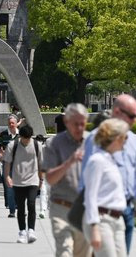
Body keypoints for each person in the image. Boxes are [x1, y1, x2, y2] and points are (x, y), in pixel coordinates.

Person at [82, 95, 136, 254]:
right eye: (131, 116)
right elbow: (87, 187)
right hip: (102, 213)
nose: (135, 120)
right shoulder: (95, 140)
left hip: (125, 212)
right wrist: (93, 224)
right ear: (116, 111)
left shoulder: (134, 140)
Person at [42, 103, 91, 257]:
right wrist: (69, 162)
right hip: (61, 207)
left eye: (83, 123)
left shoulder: (93, 142)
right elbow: (49, 178)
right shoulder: (53, 144)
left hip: (85, 209)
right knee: (65, 251)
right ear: (67, 122)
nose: (80, 128)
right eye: (76, 124)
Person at [83, 119, 130, 257]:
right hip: (101, 220)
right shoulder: (97, 161)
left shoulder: (111, 160)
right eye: (125, 137)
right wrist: (94, 228)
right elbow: (90, 196)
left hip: (117, 220)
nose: (127, 140)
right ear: (116, 138)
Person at [4, 125, 43, 244]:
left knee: (31, 204)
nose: (26, 141)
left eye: (28, 138)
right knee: (20, 208)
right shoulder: (12, 145)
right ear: (20, 136)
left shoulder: (37, 145)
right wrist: (7, 176)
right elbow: (7, 163)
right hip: (18, 180)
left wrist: (41, 179)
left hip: (33, 179)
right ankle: (22, 232)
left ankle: (31, 230)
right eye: (24, 138)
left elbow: (41, 164)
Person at [0, 115, 19, 217]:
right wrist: (2, 153)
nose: (11, 125)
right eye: (9, 123)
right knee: (9, 187)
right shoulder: (3, 134)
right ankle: (12, 210)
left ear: (16, 123)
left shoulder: (21, 135)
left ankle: (20, 207)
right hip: (7, 164)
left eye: (13, 123)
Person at [35, 134, 50, 219]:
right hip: (42, 173)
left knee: (50, 192)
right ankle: (42, 210)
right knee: (43, 191)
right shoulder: (37, 149)